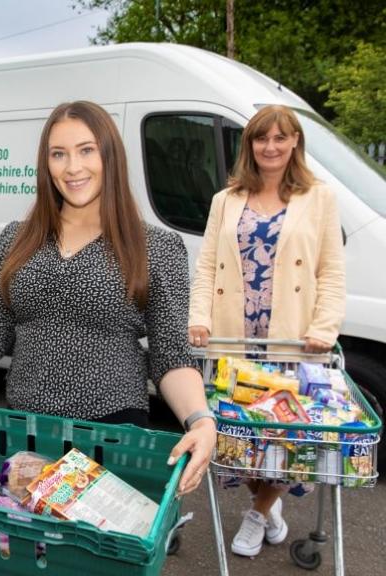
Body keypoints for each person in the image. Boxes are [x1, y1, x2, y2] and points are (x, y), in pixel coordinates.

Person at [0, 101, 215, 497]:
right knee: (28, 547)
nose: (72, 167)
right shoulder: (18, 238)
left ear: (110, 156)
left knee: (93, 553)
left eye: (86, 150)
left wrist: (200, 420)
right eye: (58, 154)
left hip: (110, 434)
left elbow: (170, 355)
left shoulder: (156, 247)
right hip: (26, 431)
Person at [188, 104, 345, 557]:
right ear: (249, 145)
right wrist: (199, 319)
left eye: (280, 137)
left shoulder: (319, 197)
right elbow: (206, 268)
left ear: (295, 141)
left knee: (283, 437)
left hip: (290, 341)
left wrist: (324, 327)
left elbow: (331, 271)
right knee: (243, 438)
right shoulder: (227, 199)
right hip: (234, 338)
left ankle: (257, 514)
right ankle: (267, 503)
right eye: (261, 138)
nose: (270, 146)